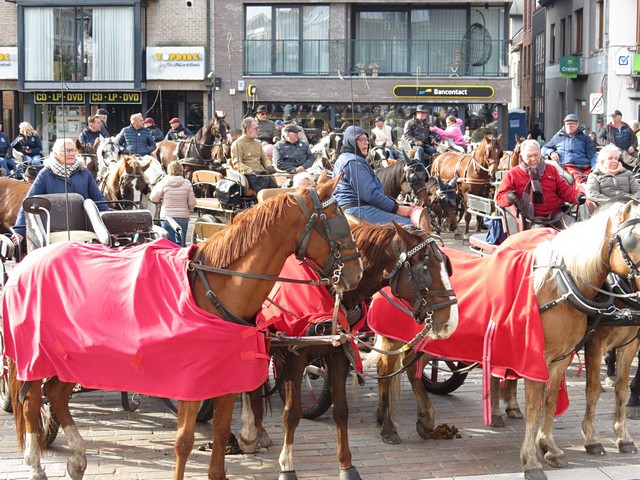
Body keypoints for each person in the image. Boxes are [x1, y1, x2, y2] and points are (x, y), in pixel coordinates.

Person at [12, 138, 109, 244]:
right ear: (55, 153)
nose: (72, 154)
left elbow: (99, 200)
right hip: (52, 232)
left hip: (84, 229)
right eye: (67, 150)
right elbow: (29, 203)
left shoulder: (84, 173)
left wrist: (111, 225)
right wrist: (19, 231)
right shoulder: (45, 174)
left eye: (73, 150)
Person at [333, 125, 412, 225]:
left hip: (355, 207)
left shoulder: (345, 158)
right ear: (351, 141)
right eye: (362, 139)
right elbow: (370, 194)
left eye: (367, 139)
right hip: (358, 209)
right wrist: (396, 208)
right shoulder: (354, 162)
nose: (366, 142)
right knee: (410, 225)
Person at [497, 139, 584, 229]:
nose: (534, 159)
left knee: (575, 228)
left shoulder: (551, 169)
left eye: (536, 155)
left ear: (540, 153)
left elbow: (564, 189)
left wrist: (577, 196)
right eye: (529, 156)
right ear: (521, 156)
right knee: (542, 235)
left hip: (556, 214)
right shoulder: (513, 174)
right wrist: (509, 197)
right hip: (532, 219)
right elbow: (500, 198)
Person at [149, 160, 196, 246]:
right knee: (181, 242)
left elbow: (153, 198)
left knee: (169, 242)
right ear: (181, 170)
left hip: (167, 217)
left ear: (169, 170)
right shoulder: (187, 183)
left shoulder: (164, 182)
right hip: (183, 217)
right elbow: (192, 203)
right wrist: (187, 209)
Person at [541, 113, 597, 184]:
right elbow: (544, 148)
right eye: (567, 124)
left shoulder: (585, 138)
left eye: (572, 124)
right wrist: (551, 152)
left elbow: (592, 155)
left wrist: (595, 168)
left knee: (592, 180)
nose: (569, 126)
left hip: (583, 167)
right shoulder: (558, 137)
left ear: (577, 125)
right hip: (563, 168)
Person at [229, 117, 278, 193]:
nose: (258, 130)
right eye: (256, 128)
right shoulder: (237, 144)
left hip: (262, 174)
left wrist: (269, 166)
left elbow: (265, 159)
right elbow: (237, 163)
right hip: (249, 177)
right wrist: (251, 171)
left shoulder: (258, 143)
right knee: (265, 193)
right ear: (248, 130)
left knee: (277, 191)